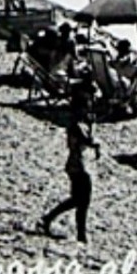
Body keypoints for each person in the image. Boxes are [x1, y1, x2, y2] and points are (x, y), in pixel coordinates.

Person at [40, 93, 99, 243]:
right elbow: (87, 141)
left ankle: (52, 219)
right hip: (79, 165)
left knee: (78, 200)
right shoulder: (77, 126)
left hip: (78, 164)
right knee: (82, 201)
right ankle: (79, 233)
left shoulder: (78, 124)